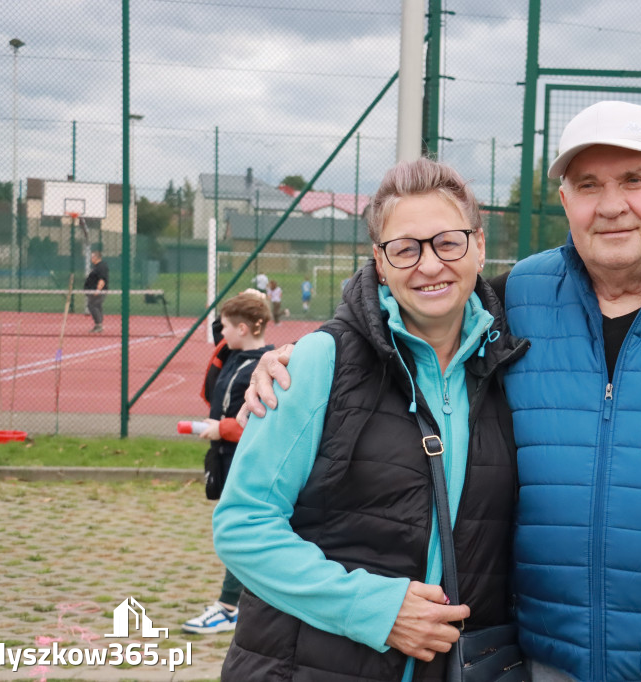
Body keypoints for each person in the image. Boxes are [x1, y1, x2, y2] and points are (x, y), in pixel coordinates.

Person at [245, 102, 641, 682]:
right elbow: (418, 293)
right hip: (547, 661)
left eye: (634, 179)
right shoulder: (521, 296)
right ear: (565, 201)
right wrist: (311, 353)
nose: (611, 206)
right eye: (587, 186)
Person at [212, 157, 528, 681]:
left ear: (479, 246)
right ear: (380, 263)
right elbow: (242, 526)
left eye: (448, 242)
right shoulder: (317, 363)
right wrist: (376, 609)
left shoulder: (511, 368)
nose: (429, 265)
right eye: (405, 249)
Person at [182, 290, 274, 635]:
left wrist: (222, 428)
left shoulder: (268, 366)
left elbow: (263, 420)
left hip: (247, 460)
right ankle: (245, 604)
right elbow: (210, 387)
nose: (220, 334)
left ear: (245, 329)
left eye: (225, 327)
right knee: (240, 532)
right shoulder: (233, 356)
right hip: (223, 457)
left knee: (241, 534)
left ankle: (228, 607)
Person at [84, 249, 108, 333]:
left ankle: (98, 325)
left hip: (98, 291)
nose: (91, 258)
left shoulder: (101, 267)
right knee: (96, 306)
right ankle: (98, 324)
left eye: (92, 257)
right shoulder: (96, 266)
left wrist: (98, 290)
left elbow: (102, 279)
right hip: (92, 291)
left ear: (96, 257)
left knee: (92, 306)